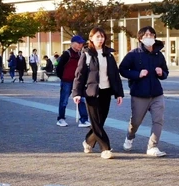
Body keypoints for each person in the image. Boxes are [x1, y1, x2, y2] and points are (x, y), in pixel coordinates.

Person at [73, 27, 124, 159]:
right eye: (97, 37)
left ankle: (88, 141)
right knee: (95, 121)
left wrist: (119, 93)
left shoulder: (109, 55)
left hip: (106, 91)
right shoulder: (87, 54)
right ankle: (105, 148)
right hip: (92, 92)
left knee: (100, 121)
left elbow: (115, 75)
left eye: (102, 36)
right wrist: (76, 93)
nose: (100, 39)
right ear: (91, 38)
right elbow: (79, 75)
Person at [118, 26, 169, 157]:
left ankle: (153, 146)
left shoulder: (158, 55)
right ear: (140, 38)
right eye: (146, 35)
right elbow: (122, 69)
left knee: (158, 120)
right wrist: (137, 74)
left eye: (151, 35)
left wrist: (161, 73)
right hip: (139, 94)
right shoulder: (133, 54)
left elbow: (165, 72)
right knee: (136, 121)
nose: (149, 37)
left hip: (157, 94)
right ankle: (130, 136)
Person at [55, 36, 90, 127]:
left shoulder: (81, 54)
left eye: (81, 43)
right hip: (67, 81)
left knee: (81, 100)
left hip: (77, 81)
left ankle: (83, 120)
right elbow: (59, 68)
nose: (80, 45)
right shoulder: (67, 54)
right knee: (64, 100)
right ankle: (61, 119)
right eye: (78, 43)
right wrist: (63, 77)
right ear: (72, 43)